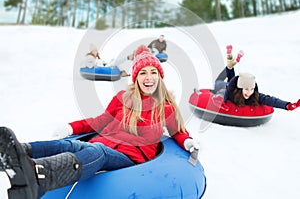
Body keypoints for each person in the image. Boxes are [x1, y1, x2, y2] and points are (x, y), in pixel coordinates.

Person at [0, 45, 199, 199]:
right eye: (143, 73)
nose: (149, 78)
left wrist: (188, 142)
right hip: (103, 142)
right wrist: (71, 126)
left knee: (97, 153)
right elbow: (100, 121)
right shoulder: (123, 98)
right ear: (136, 77)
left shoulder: (165, 107)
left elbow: (177, 132)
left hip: (130, 156)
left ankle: (39, 177)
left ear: (160, 77)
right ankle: (15, 153)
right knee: (68, 144)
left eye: (153, 72)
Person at [211, 45, 300, 111]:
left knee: (230, 72)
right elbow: (222, 92)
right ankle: (230, 63)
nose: (249, 92)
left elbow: (269, 99)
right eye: (246, 89)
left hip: (233, 83)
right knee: (221, 79)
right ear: (240, 88)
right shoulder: (230, 92)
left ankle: (230, 62)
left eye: (252, 89)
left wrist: (287, 105)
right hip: (220, 84)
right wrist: (219, 100)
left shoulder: (254, 95)